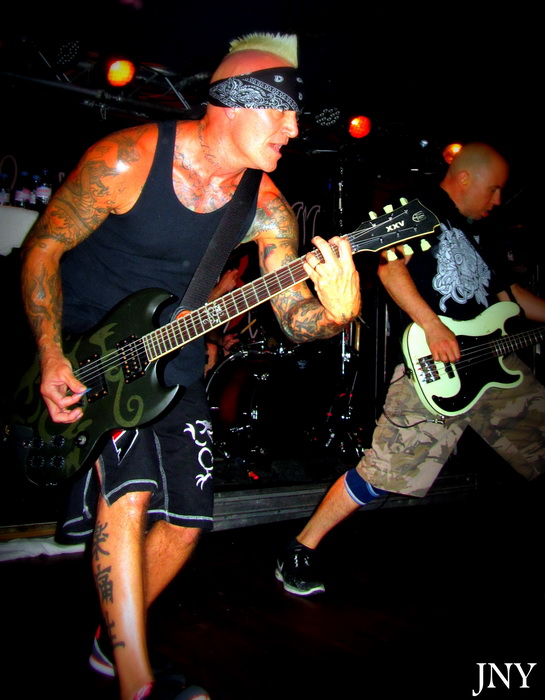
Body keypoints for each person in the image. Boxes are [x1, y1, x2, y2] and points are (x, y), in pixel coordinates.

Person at [20, 33, 361, 700]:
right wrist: (51, 352)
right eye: (282, 113)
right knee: (130, 490)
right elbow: (42, 249)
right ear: (234, 104)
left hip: (170, 357)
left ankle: (110, 642)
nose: (294, 130)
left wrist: (336, 313)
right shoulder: (127, 159)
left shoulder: (267, 207)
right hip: (90, 347)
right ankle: (137, 682)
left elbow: (294, 318)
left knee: (185, 522)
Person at [275, 142, 545, 596]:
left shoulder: (484, 233)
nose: (498, 200)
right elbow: (390, 270)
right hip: (433, 366)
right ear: (466, 178)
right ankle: (300, 549)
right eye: (494, 189)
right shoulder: (417, 210)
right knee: (382, 472)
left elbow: (510, 298)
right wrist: (434, 326)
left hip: (494, 365)